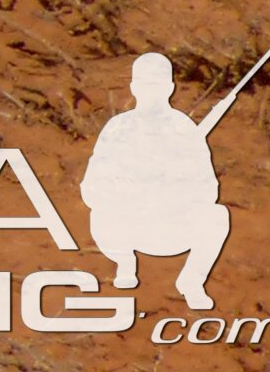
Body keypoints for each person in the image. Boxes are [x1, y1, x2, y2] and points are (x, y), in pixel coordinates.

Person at [82, 52, 236, 311]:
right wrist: (128, 192)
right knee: (99, 215)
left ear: (170, 88)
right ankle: (125, 262)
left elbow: (208, 189)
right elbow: (92, 186)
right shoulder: (118, 128)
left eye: (157, 85)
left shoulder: (184, 130)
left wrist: (175, 187)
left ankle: (192, 281)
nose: (151, 92)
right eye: (145, 85)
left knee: (218, 216)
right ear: (134, 88)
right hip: (128, 226)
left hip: (172, 226)